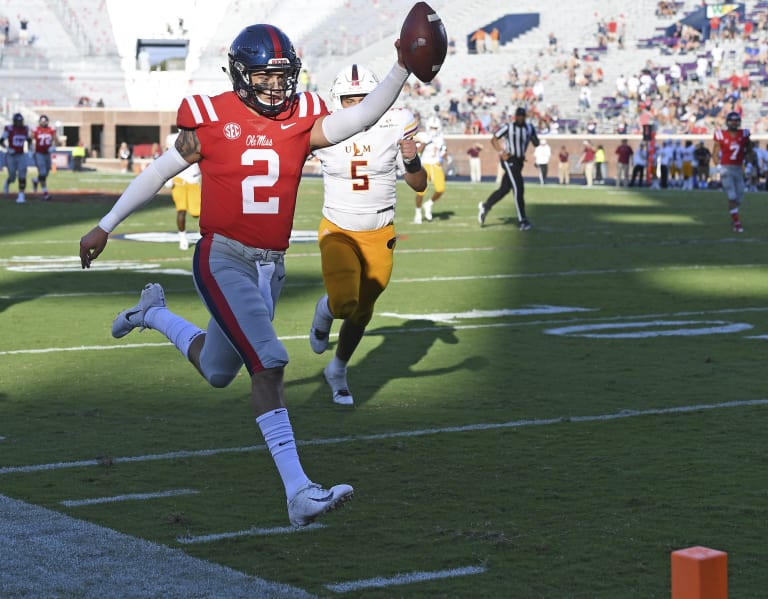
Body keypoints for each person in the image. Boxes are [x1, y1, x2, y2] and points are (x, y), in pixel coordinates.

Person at [79, 24, 411, 527]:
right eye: (265, 77)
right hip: (223, 256)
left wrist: (402, 67)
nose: (277, 88)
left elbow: (363, 114)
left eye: (283, 77)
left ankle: (153, 313)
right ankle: (298, 492)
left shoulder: (301, 119)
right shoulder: (210, 117)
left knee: (217, 370)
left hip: (269, 267)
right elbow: (158, 172)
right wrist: (106, 225)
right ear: (240, 75)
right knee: (270, 361)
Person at [308, 64, 426, 406]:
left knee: (362, 313)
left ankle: (338, 370)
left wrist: (413, 161)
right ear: (336, 101)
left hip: (380, 231)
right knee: (344, 303)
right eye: (350, 99)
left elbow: (419, 184)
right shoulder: (323, 128)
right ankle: (324, 311)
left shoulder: (397, 123)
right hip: (338, 229)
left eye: (364, 98)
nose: (358, 105)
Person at [478, 107, 539, 230]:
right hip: (509, 159)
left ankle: (486, 206)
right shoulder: (509, 127)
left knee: (505, 189)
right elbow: (494, 139)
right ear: (515, 117)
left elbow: (536, 143)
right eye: (519, 116)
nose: (521, 118)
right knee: (518, 188)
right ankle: (523, 221)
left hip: (519, 161)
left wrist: (534, 137)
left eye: (523, 116)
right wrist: (501, 151)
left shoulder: (529, 128)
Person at [712, 111, 751, 233]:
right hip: (726, 168)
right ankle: (737, 224)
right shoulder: (721, 135)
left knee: (739, 198)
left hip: (738, 168)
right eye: (732, 121)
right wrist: (718, 165)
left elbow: (749, 149)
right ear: (727, 122)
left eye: (736, 121)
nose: (734, 123)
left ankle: (734, 215)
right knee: (732, 196)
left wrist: (748, 163)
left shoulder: (744, 134)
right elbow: (715, 152)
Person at [164, 132, 202, 250]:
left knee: (197, 213)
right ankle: (182, 238)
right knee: (181, 210)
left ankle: (202, 236)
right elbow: (167, 157)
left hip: (193, 179)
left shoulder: (199, 135)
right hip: (179, 179)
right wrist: (168, 176)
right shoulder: (171, 138)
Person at [413, 115, 446, 223]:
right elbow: (417, 151)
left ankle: (428, 204)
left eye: (435, 128)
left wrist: (445, 155)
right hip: (425, 165)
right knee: (421, 192)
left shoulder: (440, 138)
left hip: (436, 165)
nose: (433, 130)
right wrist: (424, 143)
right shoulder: (422, 135)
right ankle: (418, 212)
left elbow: (443, 151)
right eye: (432, 127)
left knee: (440, 189)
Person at [1, 113, 32, 204]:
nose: (20, 123)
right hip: (11, 155)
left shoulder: (25, 129)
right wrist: (7, 148)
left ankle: (21, 196)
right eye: (18, 121)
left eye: (21, 121)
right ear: (14, 121)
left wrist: (30, 149)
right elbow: (1, 141)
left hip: (21, 154)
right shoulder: (9, 129)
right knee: (13, 176)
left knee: (22, 174)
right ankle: (8, 182)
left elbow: (29, 140)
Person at [31, 114, 59, 200]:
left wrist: (54, 146)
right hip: (39, 153)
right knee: (42, 173)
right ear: (39, 122)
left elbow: (56, 140)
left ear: (47, 122)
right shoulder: (35, 129)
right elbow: (30, 139)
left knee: (46, 173)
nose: (43, 123)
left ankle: (36, 180)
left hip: (47, 153)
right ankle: (45, 193)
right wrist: (31, 149)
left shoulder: (51, 130)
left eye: (45, 121)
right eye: (42, 121)